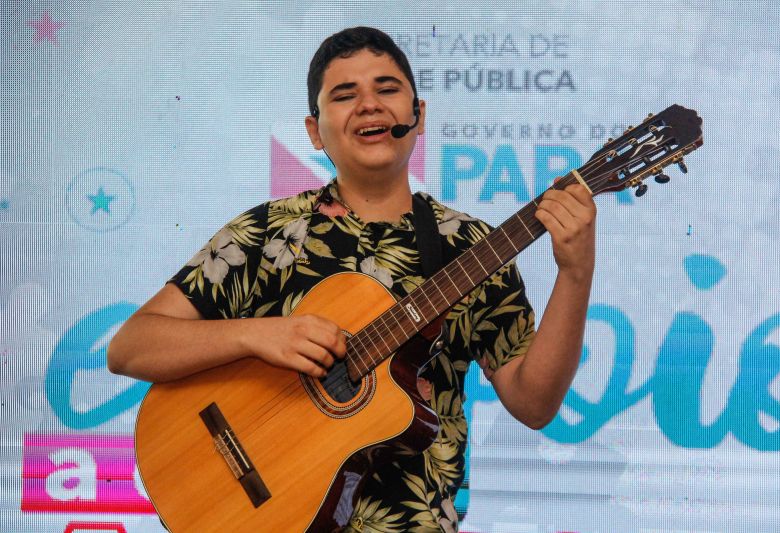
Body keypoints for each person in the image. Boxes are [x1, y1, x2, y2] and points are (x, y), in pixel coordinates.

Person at [108, 26, 596, 533]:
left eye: (387, 89)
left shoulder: (471, 245)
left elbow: (534, 404)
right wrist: (256, 333)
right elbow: (130, 348)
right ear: (315, 131)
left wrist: (576, 273)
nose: (369, 105)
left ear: (418, 115)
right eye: (344, 95)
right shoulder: (267, 234)